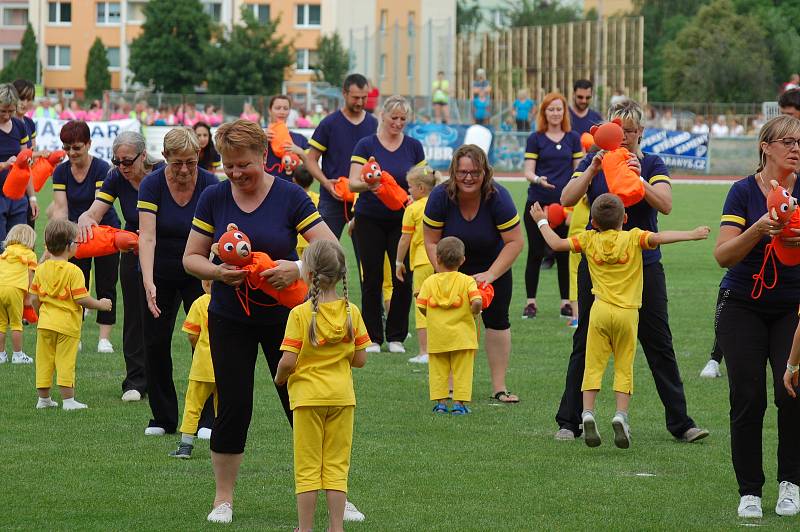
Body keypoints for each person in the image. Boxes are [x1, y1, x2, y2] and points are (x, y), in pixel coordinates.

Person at [181, 120, 369, 525]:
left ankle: (336, 494)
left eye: (243, 165)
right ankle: (223, 498)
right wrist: (217, 274)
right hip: (229, 316)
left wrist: (298, 268)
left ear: (263, 157)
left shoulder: (289, 195)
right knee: (233, 404)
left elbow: (331, 248)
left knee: (302, 402)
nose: (235, 173)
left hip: (287, 319)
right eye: (228, 166)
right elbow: (191, 257)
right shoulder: (213, 197)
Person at [556, 99, 709, 443]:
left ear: (640, 132)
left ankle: (681, 423)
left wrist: (637, 178)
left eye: (629, 130)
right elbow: (566, 198)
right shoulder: (593, 160)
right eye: (617, 130)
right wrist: (594, 170)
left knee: (658, 342)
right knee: (584, 342)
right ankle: (569, 422)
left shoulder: (651, 162)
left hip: (644, 268)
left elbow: (666, 205)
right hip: (597, 269)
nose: (623, 136)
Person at [533, 195, 709, 448]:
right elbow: (660, 238)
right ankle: (620, 416)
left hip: (599, 312)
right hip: (627, 313)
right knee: (623, 367)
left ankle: (587, 413)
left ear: (592, 221)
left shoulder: (587, 239)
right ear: (625, 218)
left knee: (592, 365)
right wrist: (692, 234)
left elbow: (557, 243)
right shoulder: (633, 237)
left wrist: (541, 221)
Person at [714, 115, 800, 519]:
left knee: (793, 392)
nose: (795, 148)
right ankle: (750, 490)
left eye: (799, 141)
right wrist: (759, 229)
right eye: (786, 141)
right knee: (748, 397)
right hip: (742, 304)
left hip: (792, 307)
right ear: (765, 146)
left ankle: (791, 483)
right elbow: (723, 255)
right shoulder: (742, 192)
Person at [274, 239, 370, 532]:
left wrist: (279, 379)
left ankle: (305, 528)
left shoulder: (300, 314)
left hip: (307, 399)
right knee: (337, 466)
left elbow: (288, 361)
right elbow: (360, 359)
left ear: (309, 274)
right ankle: (336, 527)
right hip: (342, 398)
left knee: (308, 466)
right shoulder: (351, 311)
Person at [423, 144, 523, 403]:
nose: (468, 178)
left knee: (498, 319)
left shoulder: (498, 196)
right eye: (462, 172)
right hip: (451, 266)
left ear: (485, 172)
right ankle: (452, 388)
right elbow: (431, 241)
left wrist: (490, 274)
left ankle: (499, 387)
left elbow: (515, 242)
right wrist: (445, 274)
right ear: (453, 172)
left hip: (492, 264)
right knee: (451, 323)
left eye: (475, 172)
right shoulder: (439, 196)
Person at [137, 127, 219, 436]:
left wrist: (212, 273)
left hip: (200, 272)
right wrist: (147, 281)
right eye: (176, 163)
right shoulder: (152, 185)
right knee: (155, 343)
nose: (184, 170)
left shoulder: (211, 184)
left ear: (199, 155)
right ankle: (163, 417)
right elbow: (147, 236)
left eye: (190, 161)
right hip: (159, 270)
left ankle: (208, 419)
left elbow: (218, 238)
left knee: (207, 343)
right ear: (165, 158)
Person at [78, 131, 164, 402]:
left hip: (166, 244)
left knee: (164, 316)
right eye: (117, 161)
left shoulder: (162, 172)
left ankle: (163, 380)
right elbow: (95, 210)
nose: (122, 166)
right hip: (132, 243)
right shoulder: (116, 177)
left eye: (128, 161)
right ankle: (135, 381)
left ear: (143, 156)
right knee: (135, 316)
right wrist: (86, 218)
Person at [348, 95, 426, 353]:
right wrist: (374, 184)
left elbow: (422, 182)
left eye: (403, 119)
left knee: (402, 274)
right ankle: (372, 337)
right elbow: (352, 183)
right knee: (371, 277)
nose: (398, 123)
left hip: (404, 221)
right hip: (369, 218)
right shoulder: (365, 144)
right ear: (382, 115)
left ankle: (396, 336)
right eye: (394, 117)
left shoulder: (414, 146)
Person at [51, 120, 119, 354]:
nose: (71, 153)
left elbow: (98, 207)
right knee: (75, 285)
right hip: (74, 235)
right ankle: (75, 334)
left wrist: (84, 227)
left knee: (106, 284)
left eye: (77, 147)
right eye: (66, 147)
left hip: (103, 231)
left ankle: (104, 338)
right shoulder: (60, 171)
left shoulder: (101, 168)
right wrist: (58, 239)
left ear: (89, 144)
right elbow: (60, 208)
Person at [31, 220, 112, 411]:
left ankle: (43, 400)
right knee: (66, 360)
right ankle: (68, 401)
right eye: (76, 242)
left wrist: (39, 314)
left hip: (45, 324)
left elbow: (34, 298)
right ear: (69, 246)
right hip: (67, 326)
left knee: (44, 360)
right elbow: (81, 299)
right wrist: (100, 304)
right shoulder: (74, 271)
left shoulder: (41, 268)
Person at [522, 92, 584, 319]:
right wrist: (538, 180)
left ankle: (566, 303)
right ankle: (531, 303)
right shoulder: (535, 138)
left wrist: (573, 203)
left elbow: (579, 170)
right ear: (544, 112)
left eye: (559, 109)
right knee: (535, 253)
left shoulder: (573, 138)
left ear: (564, 112)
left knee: (563, 254)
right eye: (551, 109)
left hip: (565, 205)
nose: (555, 113)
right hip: (538, 203)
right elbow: (528, 170)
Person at [306, 74, 378, 239]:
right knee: (326, 252)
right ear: (344, 94)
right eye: (355, 97)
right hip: (332, 198)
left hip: (364, 198)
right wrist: (326, 183)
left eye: (364, 97)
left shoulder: (373, 123)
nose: (360, 102)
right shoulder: (329, 123)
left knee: (367, 256)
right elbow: (311, 160)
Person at [417, 236, 482, 415]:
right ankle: (459, 404)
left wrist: (432, 316)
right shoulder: (467, 281)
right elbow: (476, 300)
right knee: (462, 371)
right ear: (462, 260)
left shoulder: (429, 282)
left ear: (437, 258)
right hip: (463, 337)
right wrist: (475, 308)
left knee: (438, 371)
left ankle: (441, 403)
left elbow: (421, 306)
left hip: (438, 336)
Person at [396, 166, 438, 363]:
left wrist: (398, 262)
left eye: (410, 187)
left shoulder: (412, 209)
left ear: (421, 188)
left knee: (422, 305)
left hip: (422, 262)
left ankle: (424, 351)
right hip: (440, 261)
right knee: (440, 304)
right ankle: (439, 348)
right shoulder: (440, 203)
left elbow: (405, 239)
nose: (408, 191)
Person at [169, 278, 215, 459]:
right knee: (224, 409)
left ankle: (185, 446)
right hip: (226, 367)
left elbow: (192, 335)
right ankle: (223, 446)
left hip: (202, 366)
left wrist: (199, 348)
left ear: (205, 283)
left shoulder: (200, 303)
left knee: (193, 406)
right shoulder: (232, 303)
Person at [0, 84, 32, 242]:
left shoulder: (19, 126)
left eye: (10, 111)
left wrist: (32, 197)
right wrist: (4, 165)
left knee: (18, 247)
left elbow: (26, 165)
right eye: (2, 111)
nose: (6, 115)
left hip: (18, 196)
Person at [0, 224, 36, 364]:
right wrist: (29, 297)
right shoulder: (29, 254)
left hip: (0, 287)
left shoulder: (5, 252)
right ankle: (17, 355)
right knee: (16, 323)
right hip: (14, 290)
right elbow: (30, 275)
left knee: (1, 323)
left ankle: (1, 355)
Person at [10, 79, 40, 230]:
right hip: (9, 183)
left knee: (28, 229)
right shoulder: (7, 124)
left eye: (29, 99)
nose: (24, 103)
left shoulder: (29, 124)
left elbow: (32, 152)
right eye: (21, 98)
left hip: (26, 183)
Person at [265, 94, 309, 182]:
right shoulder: (260, 136)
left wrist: (300, 152)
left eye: (285, 108)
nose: (282, 112)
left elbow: (312, 167)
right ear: (270, 110)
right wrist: (259, 140)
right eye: (278, 108)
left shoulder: (300, 139)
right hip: (266, 189)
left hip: (292, 189)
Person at [293, 166, 318, 257]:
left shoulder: (292, 199)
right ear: (313, 180)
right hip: (312, 240)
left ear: (294, 180)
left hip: (296, 242)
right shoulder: (318, 198)